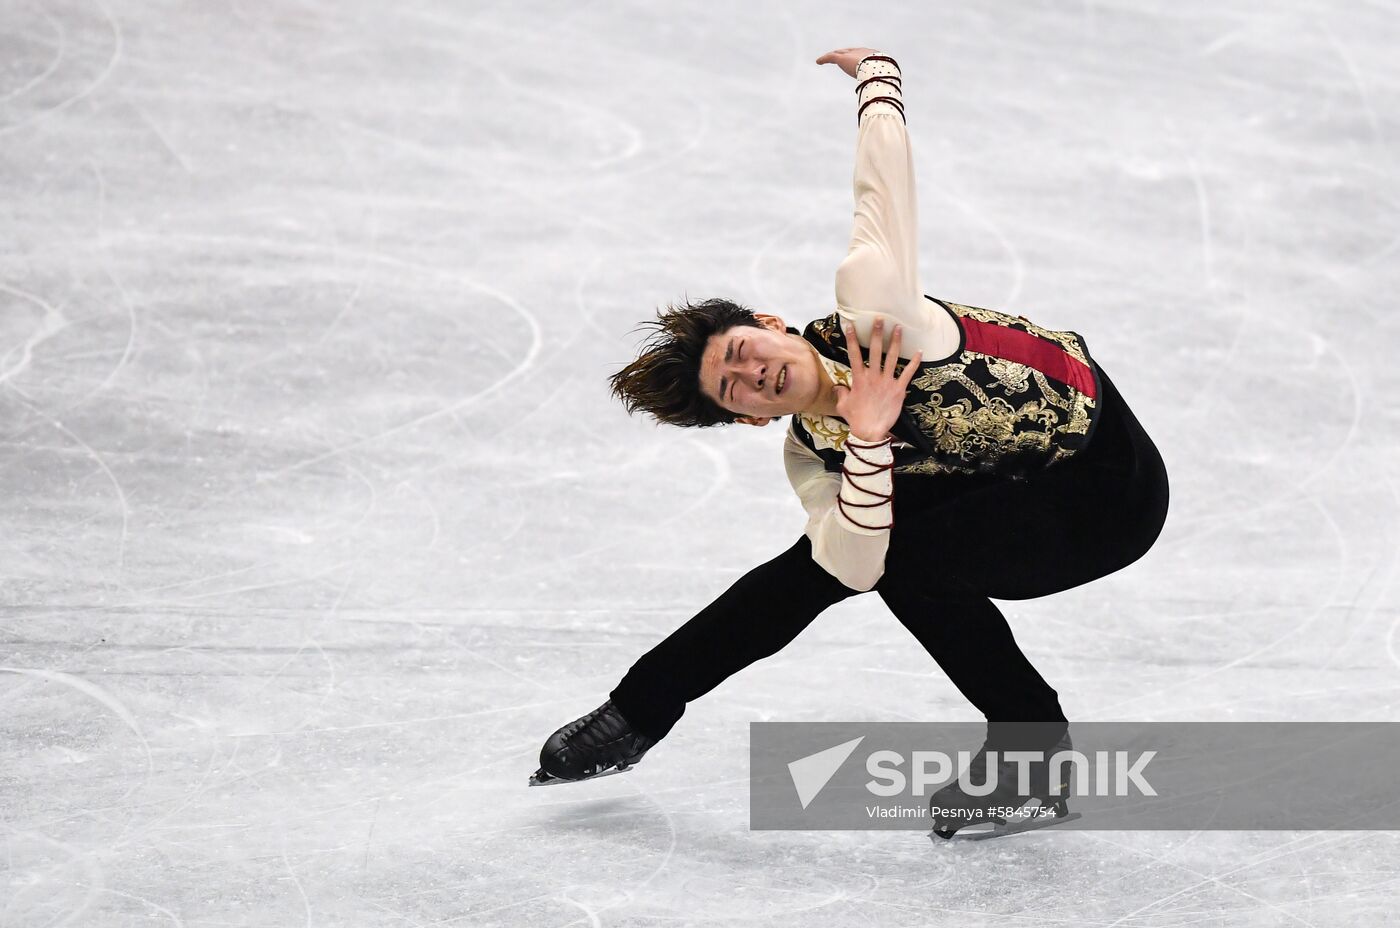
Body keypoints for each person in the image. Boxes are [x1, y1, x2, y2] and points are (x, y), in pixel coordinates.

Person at [529, 48, 1169, 831]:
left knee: (910, 560)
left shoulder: (875, 315)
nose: (753, 375)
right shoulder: (815, 450)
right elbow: (850, 564)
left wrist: (878, 82)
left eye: (741, 352)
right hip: (1004, 481)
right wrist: (867, 436)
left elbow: (882, 196)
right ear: (750, 420)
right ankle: (639, 711)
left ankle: (1032, 753)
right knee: (833, 558)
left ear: (767, 323)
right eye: (734, 391)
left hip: (1107, 482)